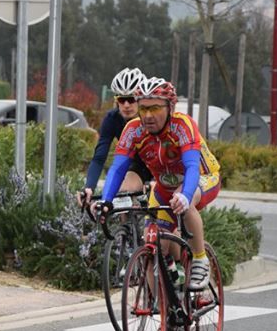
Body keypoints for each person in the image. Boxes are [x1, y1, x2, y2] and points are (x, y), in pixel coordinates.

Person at [93, 77, 221, 290]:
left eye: (155, 108)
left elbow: (191, 167)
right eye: (143, 109)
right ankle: (164, 310)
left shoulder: (183, 125)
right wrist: (106, 201)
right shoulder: (134, 129)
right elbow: (117, 169)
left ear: (170, 107)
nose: (148, 115)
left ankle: (200, 259)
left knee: (185, 204)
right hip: (164, 187)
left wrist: (186, 195)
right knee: (153, 247)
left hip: (201, 178)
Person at [77, 67, 152, 208]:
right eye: (121, 100)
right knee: (123, 195)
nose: (126, 105)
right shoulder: (112, 119)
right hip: (137, 166)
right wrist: (89, 187)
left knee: (165, 211)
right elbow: (100, 157)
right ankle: (126, 229)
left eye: (131, 99)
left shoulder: (152, 117)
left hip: (162, 165)